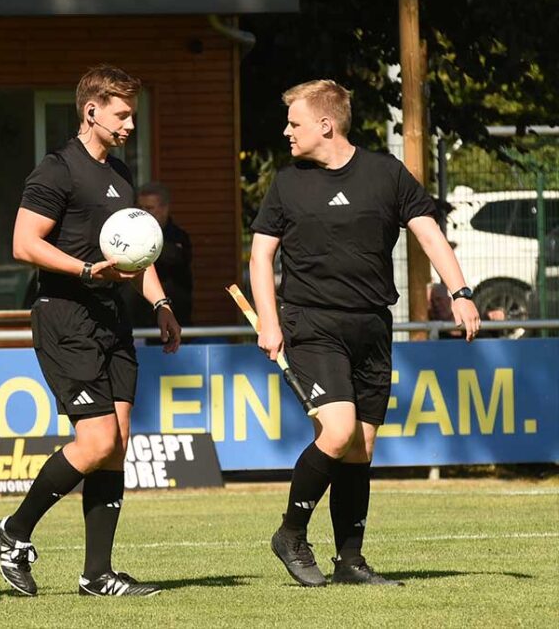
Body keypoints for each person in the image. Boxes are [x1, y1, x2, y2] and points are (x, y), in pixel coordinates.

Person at [250, 80, 480, 587]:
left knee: (361, 447)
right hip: (312, 324)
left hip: (372, 326)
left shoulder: (386, 173)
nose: (287, 131)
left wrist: (460, 292)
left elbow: (429, 233)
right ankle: (291, 533)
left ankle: (350, 561)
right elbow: (261, 255)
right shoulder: (287, 183)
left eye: (294, 122)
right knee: (337, 433)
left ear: (326, 125)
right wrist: (269, 319)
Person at [0, 65, 182, 598]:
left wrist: (161, 303)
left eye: (132, 116)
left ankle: (98, 574)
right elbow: (23, 243)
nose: (129, 125)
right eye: (121, 115)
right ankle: (13, 530)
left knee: (116, 444)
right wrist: (84, 270)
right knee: (96, 441)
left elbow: (138, 254)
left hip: (112, 319)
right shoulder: (57, 170)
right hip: (65, 315)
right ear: (91, 111)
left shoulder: (120, 175)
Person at [132, 181, 193, 326]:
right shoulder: (131, 236)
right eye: (140, 208)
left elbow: (173, 258)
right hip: (138, 318)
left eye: (149, 208)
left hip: (173, 315)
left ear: (164, 209)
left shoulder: (178, 237)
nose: (143, 213)